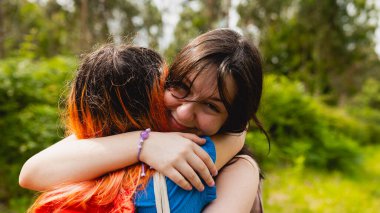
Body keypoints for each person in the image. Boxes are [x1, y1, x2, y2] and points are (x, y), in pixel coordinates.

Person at [20, 28, 266, 212]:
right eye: (181, 87)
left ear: (232, 119)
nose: (183, 113)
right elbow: (33, 173)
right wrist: (144, 144)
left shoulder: (239, 169)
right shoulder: (139, 124)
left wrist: (234, 140)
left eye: (211, 106)